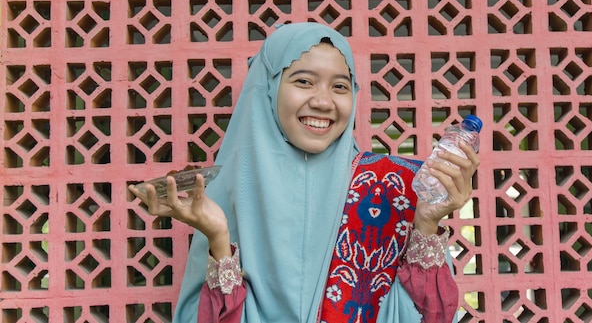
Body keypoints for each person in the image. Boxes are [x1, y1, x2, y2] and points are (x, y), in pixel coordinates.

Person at [129, 22, 479, 323]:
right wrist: (218, 238)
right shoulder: (224, 195)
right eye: (304, 81)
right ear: (267, 89)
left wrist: (427, 225)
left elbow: (433, 315)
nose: (324, 102)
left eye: (340, 86)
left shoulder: (395, 186)